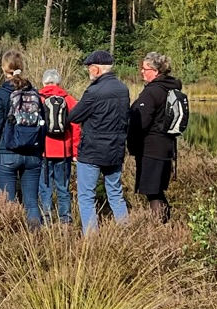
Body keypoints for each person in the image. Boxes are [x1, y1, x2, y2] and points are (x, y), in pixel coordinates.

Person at [68, 49, 130, 235]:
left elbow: (74, 116)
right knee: (116, 194)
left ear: (96, 69)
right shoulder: (123, 89)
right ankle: (127, 233)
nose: (88, 72)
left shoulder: (94, 91)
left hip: (92, 151)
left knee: (86, 197)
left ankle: (92, 238)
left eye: (89, 68)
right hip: (115, 150)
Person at [0, 49, 46, 226]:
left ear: (4, 69)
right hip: (33, 154)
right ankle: (36, 240)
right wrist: (39, 150)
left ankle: (12, 241)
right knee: (32, 203)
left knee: (8, 204)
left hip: (7, 153)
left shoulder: (0, 95)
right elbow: (42, 124)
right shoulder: (34, 93)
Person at [127, 52, 185, 223]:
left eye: (145, 69)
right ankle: (165, 223)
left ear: (155, 70)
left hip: (151, 148)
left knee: (153, 191)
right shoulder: (170, 88)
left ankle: (159, 225)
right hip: (166, 146)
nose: (141, 72)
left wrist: (130, 140)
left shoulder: (152, 92)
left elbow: (140, 122)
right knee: (157, 190)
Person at [37, 68, 79, 225]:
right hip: (63, 150)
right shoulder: (68, 99)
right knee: (63, 188)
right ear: (58, 82)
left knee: (45, 188)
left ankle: (46, 220)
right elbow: (76, 127)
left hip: (44, 151)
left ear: (44, 82)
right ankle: (65, 221)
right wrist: (75, 151)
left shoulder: (39, 98)